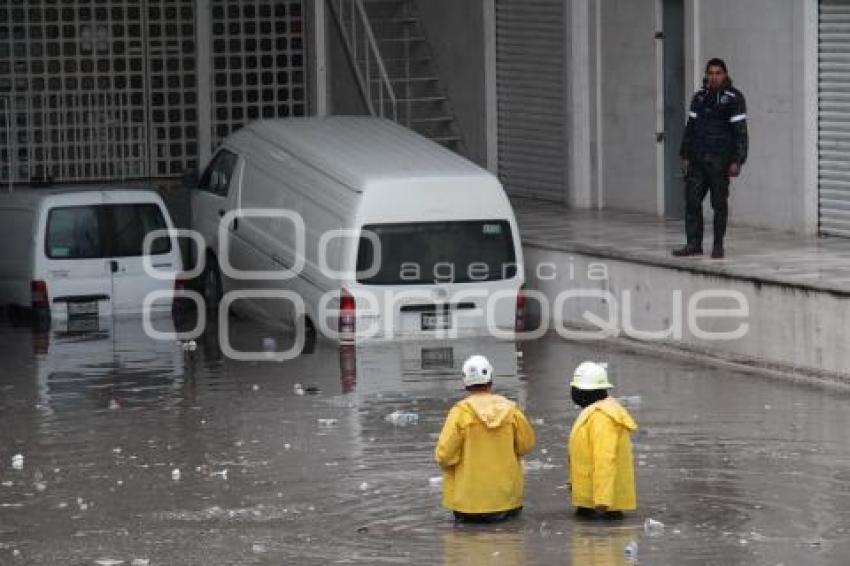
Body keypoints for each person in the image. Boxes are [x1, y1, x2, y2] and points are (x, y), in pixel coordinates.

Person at [435, 355, 536, 523]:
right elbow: (526, 445)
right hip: (507, 500)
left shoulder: (460, 413)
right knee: (509, 546)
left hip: (468, 503)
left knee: (468, 547)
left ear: (465, 381)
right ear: (490, 378)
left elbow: (444, 455)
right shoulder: (511, 410)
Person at [673, 58, 749, 259]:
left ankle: (718, 245)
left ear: (725, 74)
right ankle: (693, 244)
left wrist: (737, 160)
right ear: (706, 75)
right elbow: (690, 129)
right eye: (711, 73)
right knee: (692, 201)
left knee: (719, 204)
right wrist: (685, 155)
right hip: (697, 160)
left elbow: (741, 132)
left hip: (720, 161)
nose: (714, 77)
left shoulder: (734, 98)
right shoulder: (699, 98)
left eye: (718, 73)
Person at [567, 361, 638, 520]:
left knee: (601, 544)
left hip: (601, 507)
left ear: (586, 392)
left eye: (576, 389)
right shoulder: (594, 412)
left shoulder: (602, 418)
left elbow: (605, 460)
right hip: (591, 502)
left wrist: (602, 501)